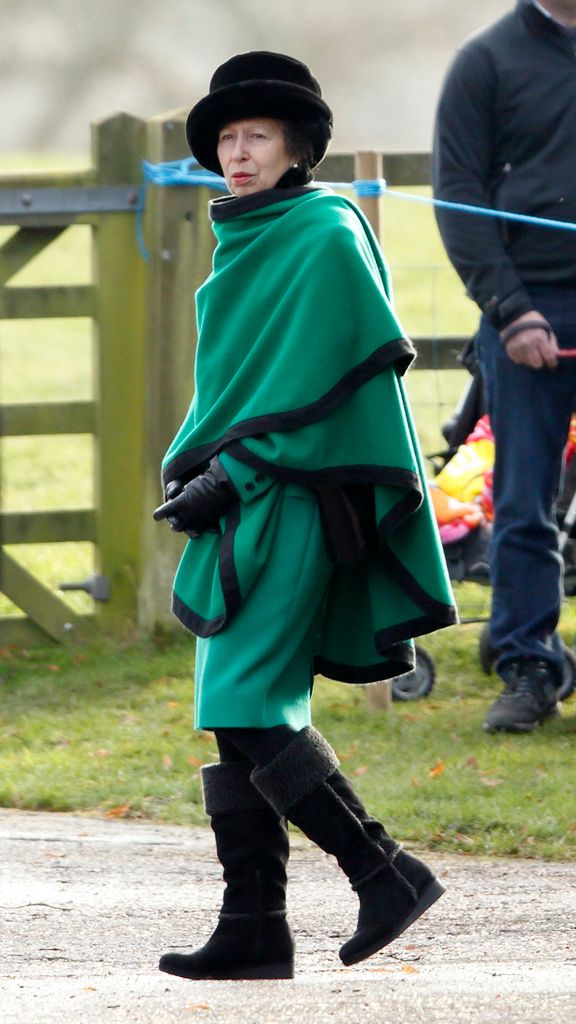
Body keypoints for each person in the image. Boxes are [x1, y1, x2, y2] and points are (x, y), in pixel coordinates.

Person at [153, 50, 456, 981]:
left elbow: (327, 383)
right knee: (233, 707)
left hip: (293, 499)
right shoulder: (244, 234)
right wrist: (212, 466)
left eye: (259, 138)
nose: (238, 154)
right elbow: (245, 382)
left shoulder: (326, 229)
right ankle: (254, 926)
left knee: (248, 699)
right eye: (227, 140)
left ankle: (383, 869)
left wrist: (237, 467)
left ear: (297, 148)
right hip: (241, 498)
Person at [432, 0, 576, 733]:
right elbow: (458, 192)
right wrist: (512, 311)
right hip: (531, 308)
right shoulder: (486, 62)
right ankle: (528, 668)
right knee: (524, 502)